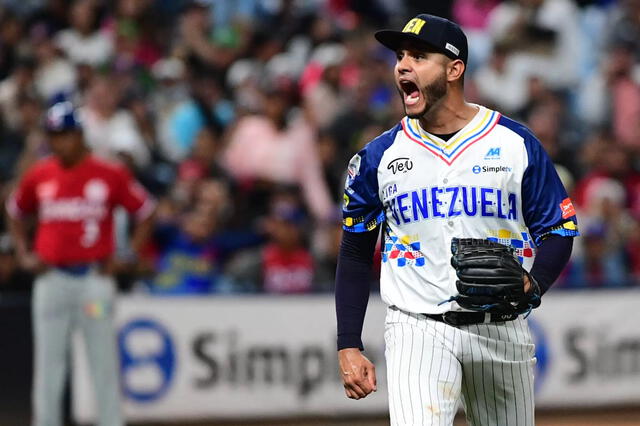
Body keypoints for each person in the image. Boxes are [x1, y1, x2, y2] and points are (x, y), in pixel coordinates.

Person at [334, 14, 579, 426]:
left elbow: (559, 228)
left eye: (419, 55)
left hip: (501, 327)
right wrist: (348, 344)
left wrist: (533, 283)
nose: (403, 66)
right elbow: (356, 251)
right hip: (417, 327)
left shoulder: (514, 143)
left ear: (454, 68)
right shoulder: (379, 157)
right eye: (400, 56)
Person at [6, 101, 156, 426]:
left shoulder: (109, 173)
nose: (61, 142)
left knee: (102, 361)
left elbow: (146, 210)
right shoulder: (40, 174)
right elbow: (15, 210)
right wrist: (23, 252)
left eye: (67, 135)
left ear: (80, 135)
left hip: (94, 281)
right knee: (49, 365)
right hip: (51, 281)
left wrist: (128, 254)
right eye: (55, 135)